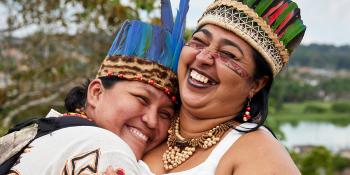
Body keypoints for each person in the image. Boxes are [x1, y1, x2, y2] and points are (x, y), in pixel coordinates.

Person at [4, 0, 189, 174]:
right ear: (96, 93)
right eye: (142, 99)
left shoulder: (48, 134)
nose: (152, 121)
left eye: (165, 114)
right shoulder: (110, 151)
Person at [140, 0, 306, 174]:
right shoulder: (149, 122)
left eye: (228, 54)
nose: (204, 57)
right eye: (199, 41)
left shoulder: (258, 152)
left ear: (256, 85)